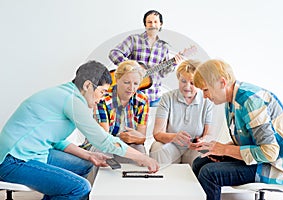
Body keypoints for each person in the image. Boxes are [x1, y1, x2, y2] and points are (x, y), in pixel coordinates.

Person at [0, 60, 159, 200]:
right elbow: (103, 140)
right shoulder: (72, 100)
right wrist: (143, 158)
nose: (102, 97)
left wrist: (89, 154)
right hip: (12, 160)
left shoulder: (66, 94)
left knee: (83, 165)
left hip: (34, 152)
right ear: (88, 85)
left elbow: (56, 141)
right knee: (80, 187)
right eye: (102, 92)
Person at [191, 59, 283, 200]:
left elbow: (269, 153)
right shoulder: (230, 101)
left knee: (209, 173)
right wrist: (217, 150)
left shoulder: (250, 101)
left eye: (205, 90)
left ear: (222, 83)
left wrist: (224, 149)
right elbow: (246, 143)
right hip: (259, 160)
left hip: (277, 168)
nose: (204, 96)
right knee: (199, 163)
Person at [108, 10, 182, 107]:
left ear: (160, 24)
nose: (152, 25)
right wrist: (133, 67)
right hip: (132, 96)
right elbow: (114, 53)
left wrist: (173, 64)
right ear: (145, 24)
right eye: (149, 22)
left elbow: (162, 74)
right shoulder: (133, 39)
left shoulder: (164, 47)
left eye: (155, 22)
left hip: (153, 97)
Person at [149, 60, 214, 165]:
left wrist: (202, 141)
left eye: (192, 83)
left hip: (193, 149)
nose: (187, 86)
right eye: (183, 81)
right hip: (171, 146)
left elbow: (209, 134)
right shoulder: (167, 98)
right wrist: (173, 137)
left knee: (206, 154)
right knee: (157, 147)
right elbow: (157, 134)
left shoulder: (207, 100)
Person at [93, 60, 149, 163]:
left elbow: (141, 138)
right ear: (117, 79)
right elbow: (104, 137)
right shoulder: (103, 99)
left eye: (136, 83)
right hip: (103, 142)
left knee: (140, 150)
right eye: (127, 82)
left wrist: (135, 138)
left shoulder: (142, 100)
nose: (131, 88)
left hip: (128, 143)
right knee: (102, 153)